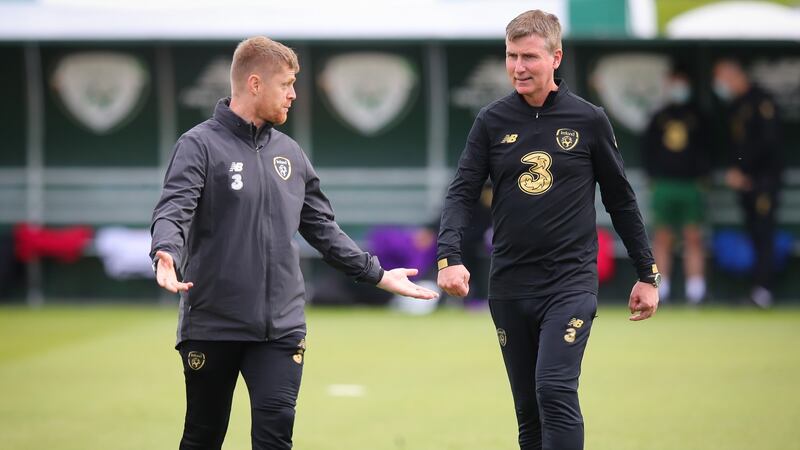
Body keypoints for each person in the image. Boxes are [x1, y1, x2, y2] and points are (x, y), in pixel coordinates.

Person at [149, 36, 437, 450]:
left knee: (275, 435)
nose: (293, 94)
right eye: (285, 84)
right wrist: (165, 251)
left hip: (281, 327)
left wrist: (376, 274)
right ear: (254, 84)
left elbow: (323, 228)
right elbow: (174, 207)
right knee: (203, 435)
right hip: (213, 322)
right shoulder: (199, 145)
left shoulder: (291, 154)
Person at [436, 10, 659, 450]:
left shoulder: (589, 119)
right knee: (529, 416)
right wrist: (450, 257)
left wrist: (647, 273)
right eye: (511, 56)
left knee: (554, 390)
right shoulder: (491, 121)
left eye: (530, 57)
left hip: (569, 282)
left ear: (556, 57)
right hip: (510, 284)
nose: (519, 67)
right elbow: (461, 193)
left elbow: (621, 200)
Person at [713, 59, 782, 309]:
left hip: (764, 181)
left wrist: (744, 169)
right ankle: (757, 289)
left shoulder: (761, 101)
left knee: (764, 232)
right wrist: (736, 171)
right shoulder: (735, 105)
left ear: (734, 74)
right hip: (744, 182)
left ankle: (764, 290)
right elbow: (736, 144)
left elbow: (769, 143)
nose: (719, 84)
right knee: (754, 233)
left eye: (721, 77)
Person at [641, 66, 711, 304]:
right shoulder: (659, 115)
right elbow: (647, 151)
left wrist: (703, 177)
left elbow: (708, 149)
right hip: (664, 185)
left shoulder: (698, 116)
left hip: (691, 185)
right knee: (662, 236)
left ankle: (696, 290)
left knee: (693, 236)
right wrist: (653, 178)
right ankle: (663, 288)